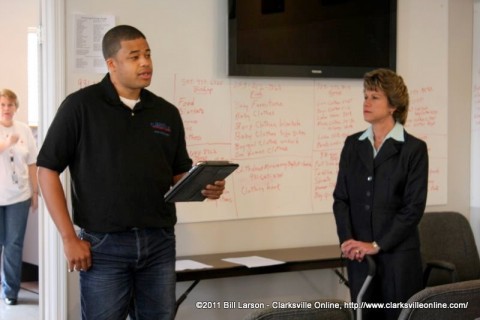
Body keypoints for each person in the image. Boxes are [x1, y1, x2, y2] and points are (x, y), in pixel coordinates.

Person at [37, 25, 225, 320]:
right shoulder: (80, 107)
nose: (145, 63)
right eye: (134, 56)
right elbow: (46, 169)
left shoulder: (166, 112)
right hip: (104, 245)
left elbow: (178, 173)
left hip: (159, 242)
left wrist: (202, 185)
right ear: (112, 64)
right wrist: (68, 238)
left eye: (148, 55)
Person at [332, 68, 428, 320]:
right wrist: (347, 241)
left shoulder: (414, 149)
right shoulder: (352, 145)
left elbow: (413, 208)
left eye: (374, 97)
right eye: (365, 96)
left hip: (398, 258)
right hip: (359, 257)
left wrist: (377, 245)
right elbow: (341, 199)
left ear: (393, 105)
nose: (366, 102)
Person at [0, 88, 38, 306]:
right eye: (3, 104)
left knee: (14, 244)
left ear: (16, 107)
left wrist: (35, 192)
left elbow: (32, 162)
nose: (7, 109)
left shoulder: (23, 130)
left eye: (10, 105)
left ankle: (11, 291)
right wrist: (7, 143)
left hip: (19, 197)